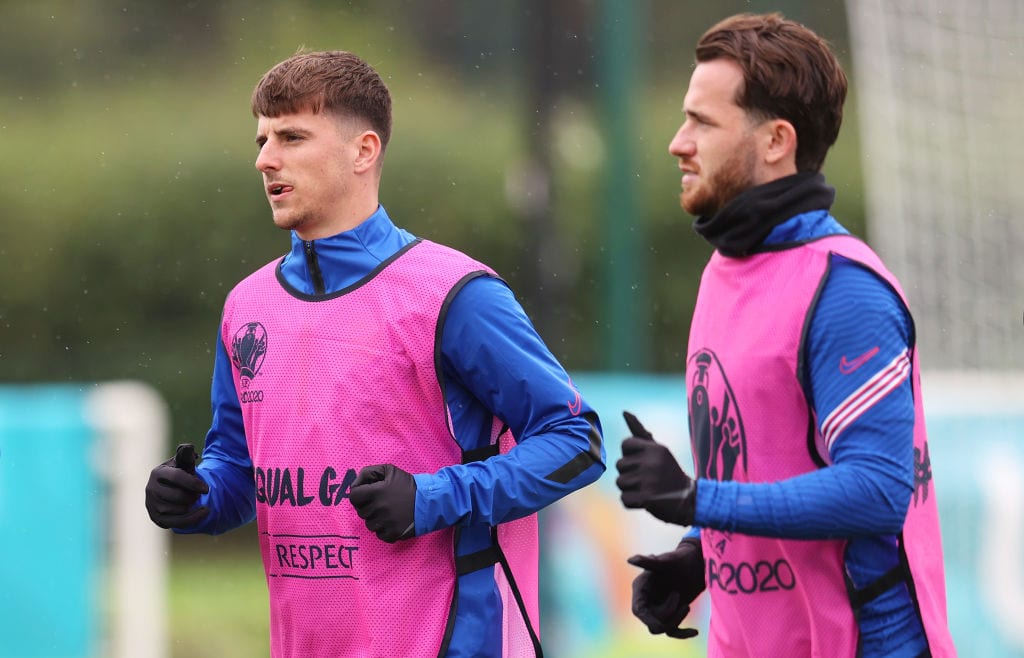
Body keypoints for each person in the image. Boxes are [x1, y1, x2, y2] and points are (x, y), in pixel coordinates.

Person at [144, 49, 605, 658]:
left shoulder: (455, 295)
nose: (265, 159)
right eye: (261, 139)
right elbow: (240, 467)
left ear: (363, 151)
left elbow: (577, 440)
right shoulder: (247, 306)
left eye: (292, 137)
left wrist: (430, 498)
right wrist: (196, 496)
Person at [614, 13, 956, 657]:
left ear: (776, 141)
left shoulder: (845, 289)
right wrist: (698, 557)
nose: (678, 142)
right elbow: (768, 465)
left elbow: (879, 490)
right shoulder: (726, 268)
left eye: (703, 123)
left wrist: (696, 498)